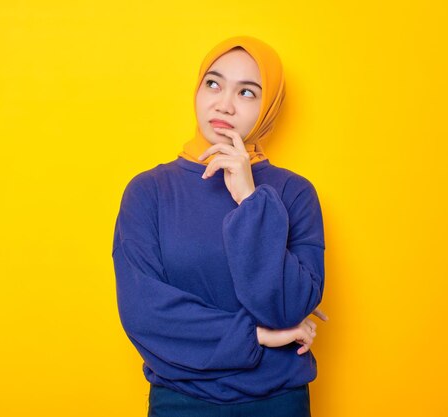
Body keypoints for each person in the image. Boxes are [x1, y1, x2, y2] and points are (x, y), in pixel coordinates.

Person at [111, 35, 328, 417]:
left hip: (278, 401)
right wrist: (258, 336)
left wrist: (250, 198)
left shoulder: (294, 193)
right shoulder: (149, 191)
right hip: (181, 401)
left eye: (247, 93)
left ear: (268, 107)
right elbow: (145, 313)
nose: (224, 104)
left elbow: (286, 306)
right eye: (213, 83)